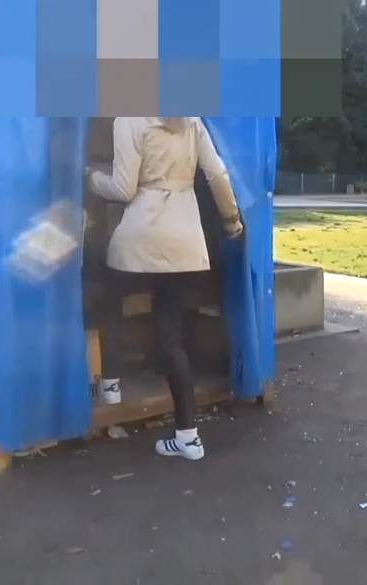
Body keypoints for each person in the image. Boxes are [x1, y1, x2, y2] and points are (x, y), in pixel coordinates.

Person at [87, 117, 243, 461]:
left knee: (109, 294)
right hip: (184, 244)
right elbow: (218, 175)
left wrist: (91, 178)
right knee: (171, 337)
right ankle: (188, 436)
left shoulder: (128, 120)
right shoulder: (192, 119)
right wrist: (232, 220)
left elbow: (123, 189)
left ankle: (111, 385)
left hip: (140, 239)